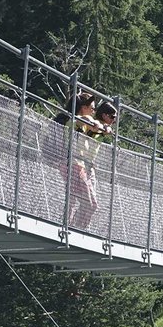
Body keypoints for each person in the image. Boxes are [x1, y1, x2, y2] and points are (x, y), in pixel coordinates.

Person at [57, 92, 107, 230]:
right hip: (72, 165)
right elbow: (82, 120)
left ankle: (70, 227)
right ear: (83, 107)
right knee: (90, 204)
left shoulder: (83, 125)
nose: (93, 111)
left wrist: (103, 128)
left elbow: (95, 134)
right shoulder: (73, 120)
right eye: (91, 107)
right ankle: (74, 229)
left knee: (73, 199)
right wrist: (94, 122)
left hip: (77, 166)